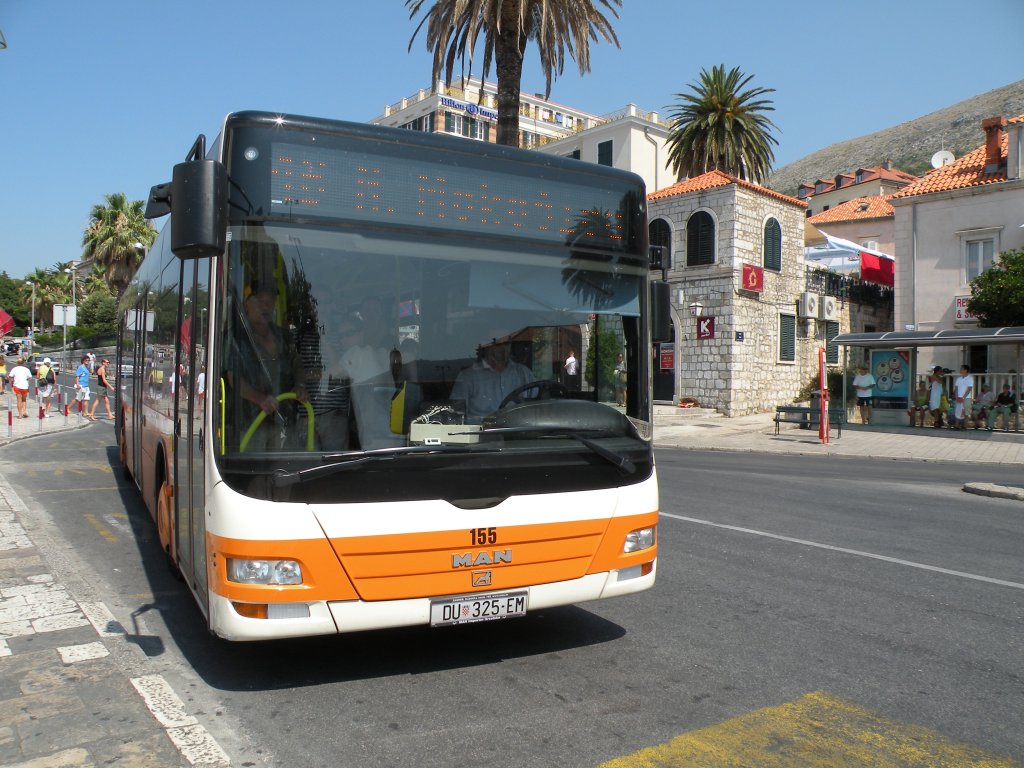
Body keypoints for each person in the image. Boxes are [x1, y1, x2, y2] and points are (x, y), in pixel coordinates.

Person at [228, 282, 307, 450]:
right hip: (249, 423)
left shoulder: (283, 336)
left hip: (283, 420)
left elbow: (298, 364)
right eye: (259, 301)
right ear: (246, 304)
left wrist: (300, 385)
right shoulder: (236, 337)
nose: (266, 306)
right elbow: (232, 378)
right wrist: (260, 399)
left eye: (270, 302)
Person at [451, 336, 535, 424]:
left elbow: (538, 403)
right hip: (480, 433)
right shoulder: (468, 376)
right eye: (497, 344)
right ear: (486, 346)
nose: (502, 348)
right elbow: (457, 413)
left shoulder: (523, 372)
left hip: (518, 431)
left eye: (506, 343)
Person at [952, 364, 974, 430]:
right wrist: (956, 397)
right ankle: (956, 426)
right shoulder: (958, 379)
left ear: (965, 370)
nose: (960, 370)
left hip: (966, 398)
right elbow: (956, 388)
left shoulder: (970, 378)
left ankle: (965, 426)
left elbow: (969, 389)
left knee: (966, 412)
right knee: (957, 411)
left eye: (961, 369)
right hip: (958, 398)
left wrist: (963, 397)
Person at [75, 354, 93, 419]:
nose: (87, 361)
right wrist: (77, 384)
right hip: (81, 386)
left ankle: (86, 412)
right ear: (83, 361)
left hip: (86, 386)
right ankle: (68, 408)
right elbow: (77, 376)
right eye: (86, 360)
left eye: (88, 360)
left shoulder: (86, 367)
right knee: (77, 399)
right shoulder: (81, 367)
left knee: (86, 399)